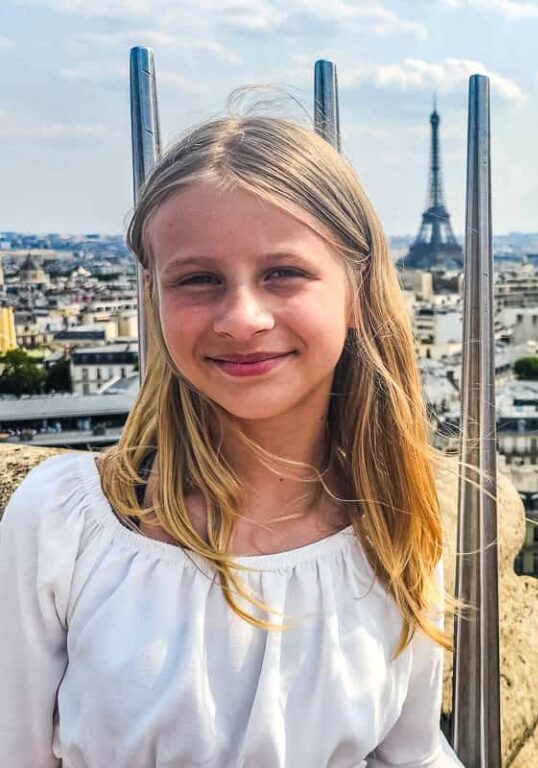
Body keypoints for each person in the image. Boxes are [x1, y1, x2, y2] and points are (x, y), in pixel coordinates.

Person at [0, 115, 463, 767]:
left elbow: (409, 753)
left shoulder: (400, 524)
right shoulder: (59, 524)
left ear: (356, 292)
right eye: (198, 279)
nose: (243, 318)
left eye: (282, 273)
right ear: (153, 297)